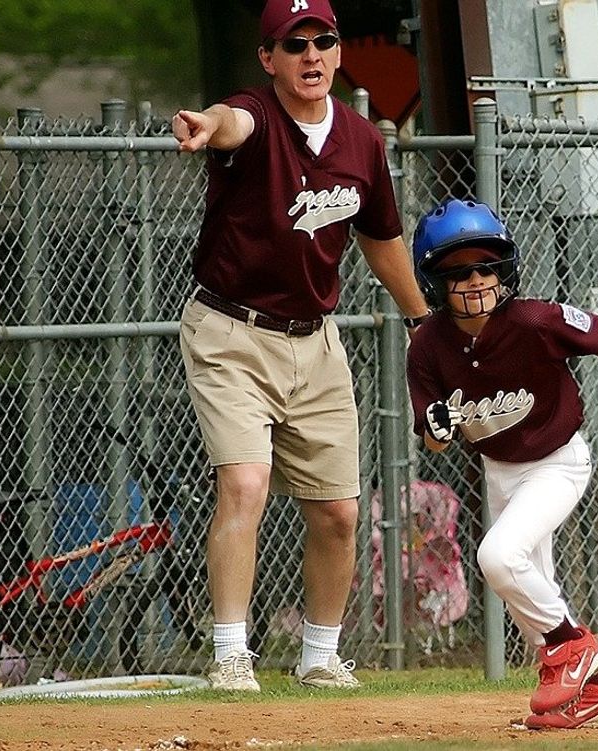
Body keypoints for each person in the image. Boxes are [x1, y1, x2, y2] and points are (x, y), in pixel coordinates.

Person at [171, 0, 431, 692]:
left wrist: (420, 321)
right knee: (246, 483)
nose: (310, 56)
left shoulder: (361, 141)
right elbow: (233, 122)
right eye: (293, 45)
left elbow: (381, 239)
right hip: (231, 331)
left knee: (340, 512)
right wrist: (207, 125)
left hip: (315, 341)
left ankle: (319, 654)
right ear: (269, 59)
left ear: (339, 52)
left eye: (323, 41)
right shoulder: (253, 117)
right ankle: (232, 652)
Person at [405, 198, 598, 729]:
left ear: (505, 271)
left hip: (559, 461)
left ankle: (576, 648)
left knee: (499, 558)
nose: (476, 279)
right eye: (458, 272)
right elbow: (434, 444)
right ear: (435, 283)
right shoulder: (429, 346)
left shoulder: (532, 318)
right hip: (500, 470)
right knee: (530, 599)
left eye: (486, 266)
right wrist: (438, 428)